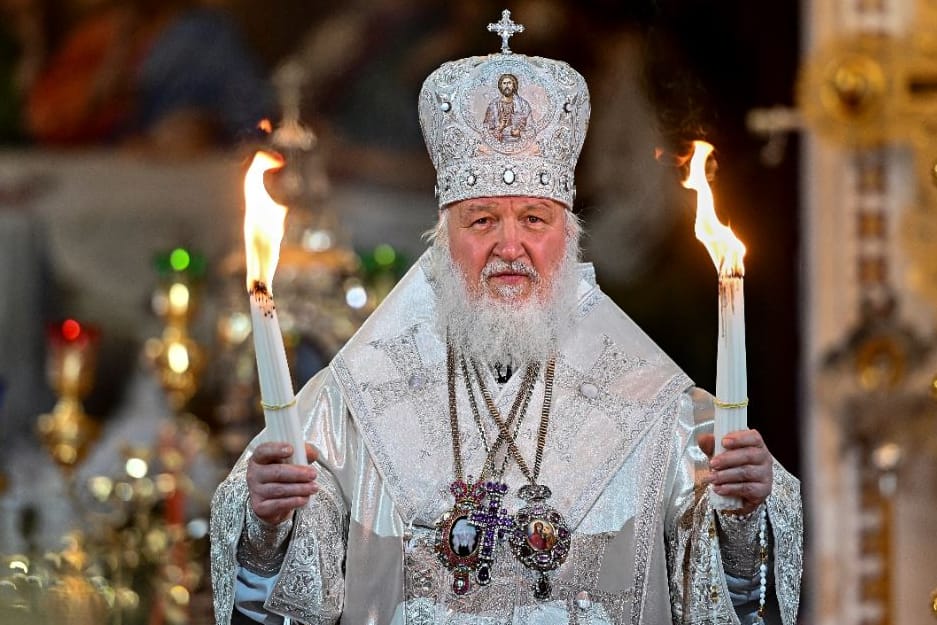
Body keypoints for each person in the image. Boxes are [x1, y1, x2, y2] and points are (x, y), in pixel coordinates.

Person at [210, 11, 802, 625]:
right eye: (483, 220)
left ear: (568, 238)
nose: (510, 246)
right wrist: (267, 522)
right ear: (443, 239)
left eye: (534, 220)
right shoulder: (355, 399)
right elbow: (280, 589)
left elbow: (732, 595)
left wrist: (742, 514)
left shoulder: (655, 402)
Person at [484, 72, 532, 143]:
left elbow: (531, 126)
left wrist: (519, 132)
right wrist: (500, 127)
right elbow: (486, 129)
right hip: (497, 144)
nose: (507, 86)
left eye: (509, 83)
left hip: (520, 143)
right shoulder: (493, 105)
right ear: (500, 86)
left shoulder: (523, 105)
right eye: (504, 83)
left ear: (513, 85)